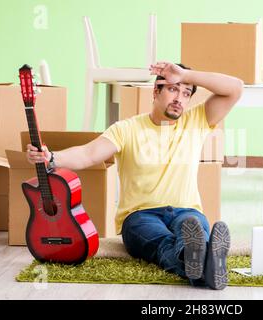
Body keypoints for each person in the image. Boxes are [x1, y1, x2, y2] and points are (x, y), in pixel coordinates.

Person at [26, 62, 244, 290]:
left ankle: (199, 264)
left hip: (186, 211)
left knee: (190, 228)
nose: (179, 98)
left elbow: (235, 88)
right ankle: (210, 263)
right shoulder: (126, 129)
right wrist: (50, 158)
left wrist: (185, 75)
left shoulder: (196, 121)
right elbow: (88, 154)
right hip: (140, 216)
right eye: (173, 89)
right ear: (155, 91)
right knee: (164, 244)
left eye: (186, 93)